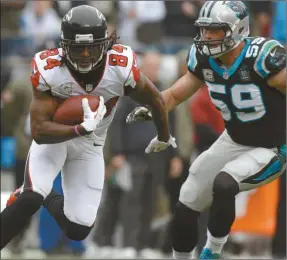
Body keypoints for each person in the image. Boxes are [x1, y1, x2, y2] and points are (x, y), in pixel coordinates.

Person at [0, 5, 176, 250]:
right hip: (54, 138)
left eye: (91, 47)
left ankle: (46, 194)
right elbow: (38, 130)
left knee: (78, 229)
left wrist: (164, 135)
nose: (84, 54)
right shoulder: (49, 68)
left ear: (105, 44)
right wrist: (78, 129)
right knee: (30, 198)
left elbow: (156, 98)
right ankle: (35, 192)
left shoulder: (120, 66)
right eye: (77, 47)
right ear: (63, 45)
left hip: (90, 146)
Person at [126, 1, 286, 259]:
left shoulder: (263, 59)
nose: (207, 37)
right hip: (233, 140)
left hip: (271, 147)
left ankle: (212, 251)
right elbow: (176, 94)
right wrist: (153, 108)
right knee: (188, 198)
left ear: (238, 30)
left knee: (224, 183)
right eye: (204, 30)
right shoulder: (204, 60)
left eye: (215, 30)